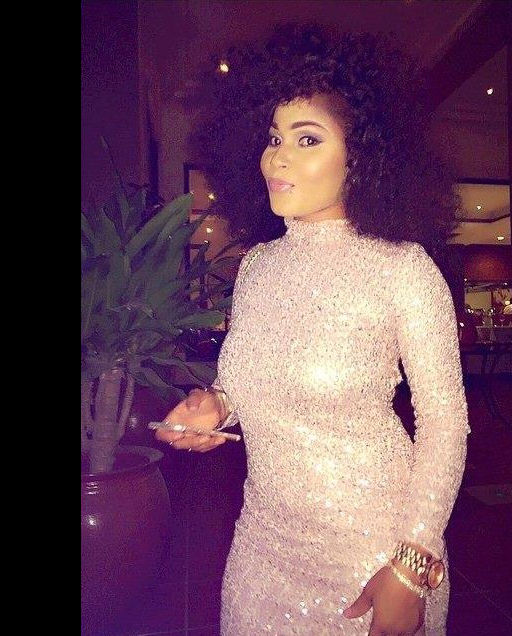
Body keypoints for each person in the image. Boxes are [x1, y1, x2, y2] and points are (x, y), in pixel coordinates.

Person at [157, 22, 470, 635]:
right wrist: (215, 407)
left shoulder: (403, 268)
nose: (278, 156)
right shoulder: (258, 266)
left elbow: (444, 423)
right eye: (275, 137)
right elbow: (245, 384)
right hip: (262, 550)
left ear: (360, 158)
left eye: (307, 139)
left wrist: (412, 563)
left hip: (374, 554)